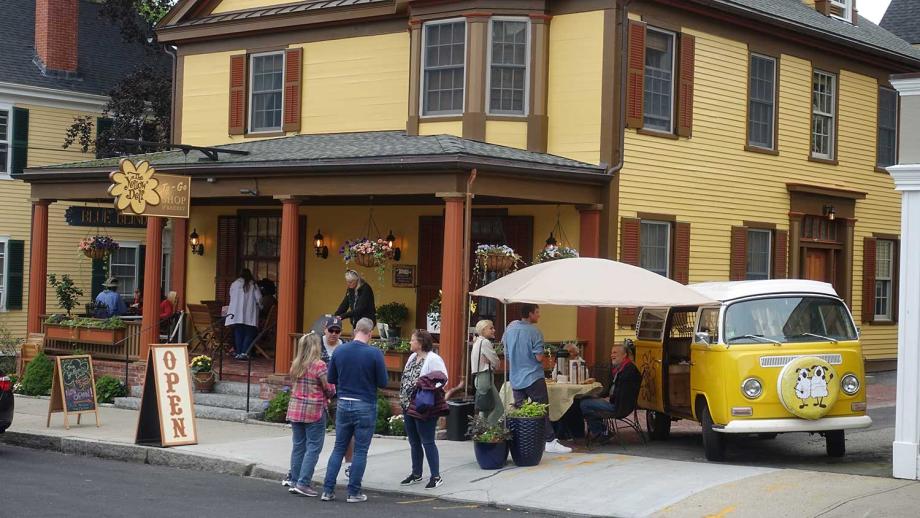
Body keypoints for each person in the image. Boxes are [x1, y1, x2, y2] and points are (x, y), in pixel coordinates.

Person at [321, 317, 388, 503]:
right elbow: (383, 382)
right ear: (370, 332)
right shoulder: (374, 353)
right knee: (360, 450)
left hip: (343, 402)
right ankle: (354, 492)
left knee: (339, 447)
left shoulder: (340, 350)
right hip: (365, 403)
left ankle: (327, 490)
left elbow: (332, 378)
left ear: (355, 330)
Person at [504, 303, 571, 454]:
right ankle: (549, 441)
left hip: (515, 377)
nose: (539, 315)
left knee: (519, 410)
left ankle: (520, 439)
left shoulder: (509, 330)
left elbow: (507, 355)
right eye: (537, 312)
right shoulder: (535, 332)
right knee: (542, 409)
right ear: (530, 314)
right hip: (533, 376)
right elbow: (539, 357)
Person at [286, 332, 336, 497]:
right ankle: (303, 482)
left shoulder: (295, 364)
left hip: (295, 409)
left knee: (298, 446)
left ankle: (294, 480)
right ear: (316, 347)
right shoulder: (319, 365)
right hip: (313, 410)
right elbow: (329, 388)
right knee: (313, 447)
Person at [399, 330, 448, 489]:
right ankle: (416, 473)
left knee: (427, 441)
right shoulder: (412, 357)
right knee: (414, 441)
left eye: (412, 340)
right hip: (408, 405)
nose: (410, 342)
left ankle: (436, 476)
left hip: (423, 406)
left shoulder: (434, 359)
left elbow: (443, 379)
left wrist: (428, 388)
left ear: (420, 343)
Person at [579, 343, 643, 444]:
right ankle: (601, 431)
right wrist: (599, 396)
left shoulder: (629, 370)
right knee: (585, 400)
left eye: (615, 353)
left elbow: (622, 393)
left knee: (584, 404)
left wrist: (606, 399)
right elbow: (610, 389)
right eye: (611, 353)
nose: (612, 355)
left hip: (619, 407)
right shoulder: (620, 368)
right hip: (617, 403)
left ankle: (601, 432)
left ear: (624, 355)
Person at [224, 268, 262, 360]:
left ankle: (238, 352)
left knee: (238, 333)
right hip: (249, 313)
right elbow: (259, 298)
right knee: (249, 332)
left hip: (236, 314)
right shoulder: (252, 285)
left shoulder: (234, 284)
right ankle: (244, 353)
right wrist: (261, 306)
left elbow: (231, 296)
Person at [471, 319, 503, 425]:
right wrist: (493, 363)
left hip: (479, 378)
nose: (494, 330)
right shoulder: (485, 342)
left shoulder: (478, 342)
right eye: (491, 328)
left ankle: (480, 432)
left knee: (484, 409)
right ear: (484, 330)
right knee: (498, 408)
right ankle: (487, 431)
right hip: (485, 377)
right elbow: (496, 362)